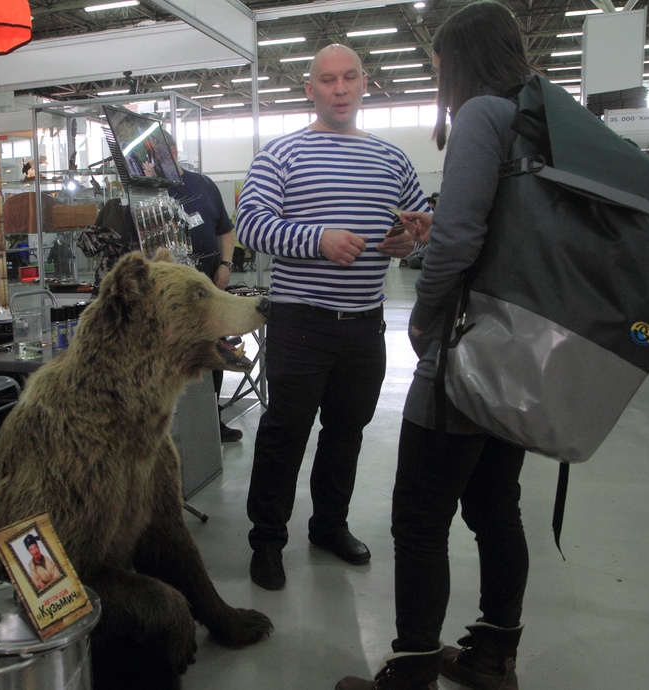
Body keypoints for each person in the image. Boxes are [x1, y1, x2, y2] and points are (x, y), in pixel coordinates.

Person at [335, 3, 531, 688]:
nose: (439, 78)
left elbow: (457, 242)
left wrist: (422, 314)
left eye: (440, 66)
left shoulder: (480, 114)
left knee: (419, 518)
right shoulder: (535, 117)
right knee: (495, 507)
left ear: (462, 62)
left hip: (467, 347)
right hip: (521, 349)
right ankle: (493, 658)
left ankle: (412, 670)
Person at [235, 43, 428, 591]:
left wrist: (408, 242)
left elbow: (418, 224)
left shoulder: (393, 160)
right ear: (310, 89)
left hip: (366, 324)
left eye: (349, 77)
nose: (340, 89)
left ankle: (328, 526)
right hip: (300, 322)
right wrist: (316, 239)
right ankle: (267, 540)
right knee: (285, 433)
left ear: (364, 83)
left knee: (346, 433)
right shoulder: (281, 154)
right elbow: (250, 224)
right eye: (327, 79)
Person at [163, 129, 243, 442]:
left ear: (172, 151)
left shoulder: (204, 185)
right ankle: (168, 426)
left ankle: (211, 422)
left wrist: (226, 265)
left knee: (213, 350)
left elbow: (225, 230)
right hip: (171, 293)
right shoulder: (144, 191)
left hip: (210, 283)